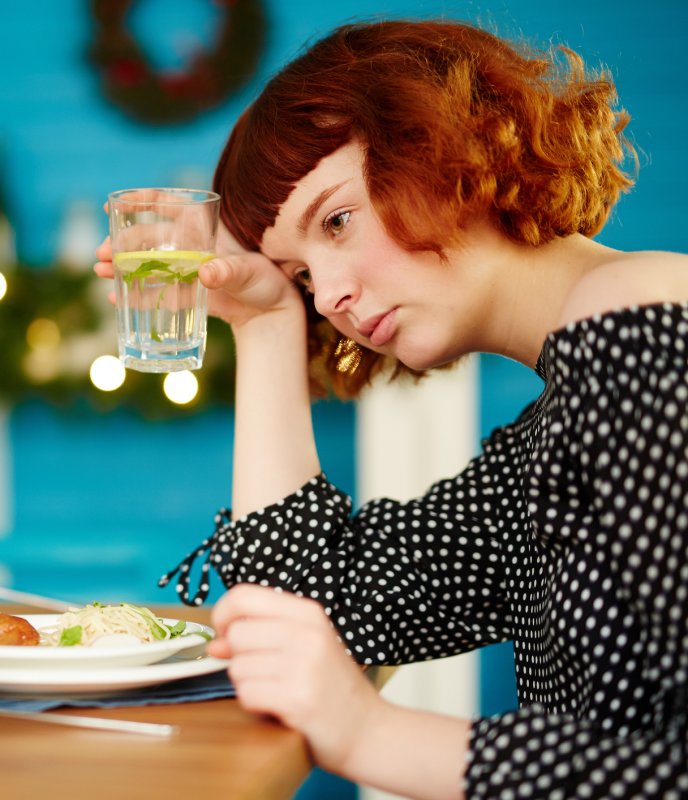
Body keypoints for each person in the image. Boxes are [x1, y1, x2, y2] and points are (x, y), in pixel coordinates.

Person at [96, 19, 687, 799]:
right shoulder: (554, 428)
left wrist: (371, 734)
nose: (331, 296)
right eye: (304, 276)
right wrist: (266, 322)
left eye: (337, 220)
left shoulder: (639, 316)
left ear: (444, 139)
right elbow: (315, 606)